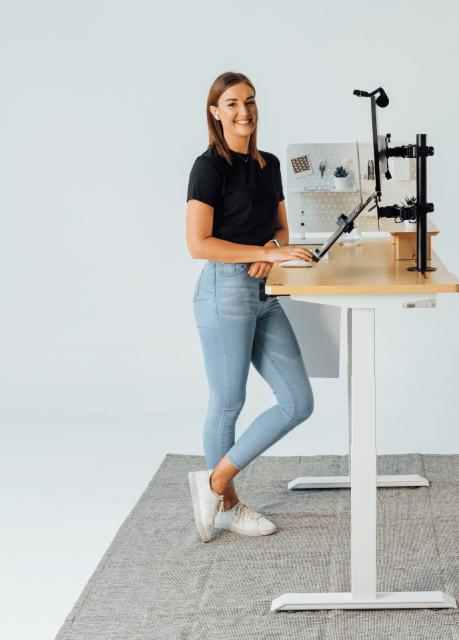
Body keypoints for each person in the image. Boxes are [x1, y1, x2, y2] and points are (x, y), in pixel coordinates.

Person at [184, 72, 316, 543]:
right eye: (233, 103)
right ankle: (230, 507)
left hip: (265, 295)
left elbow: (283, 230)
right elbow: (198, 244)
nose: (245, 111)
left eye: (251, 102)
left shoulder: (270, 163)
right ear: (216, 112)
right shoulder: (208, 167)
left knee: (298, 402)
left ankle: (214, 484)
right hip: (224, 292)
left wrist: (272, 247)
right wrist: (263, 253)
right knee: (228, 403)